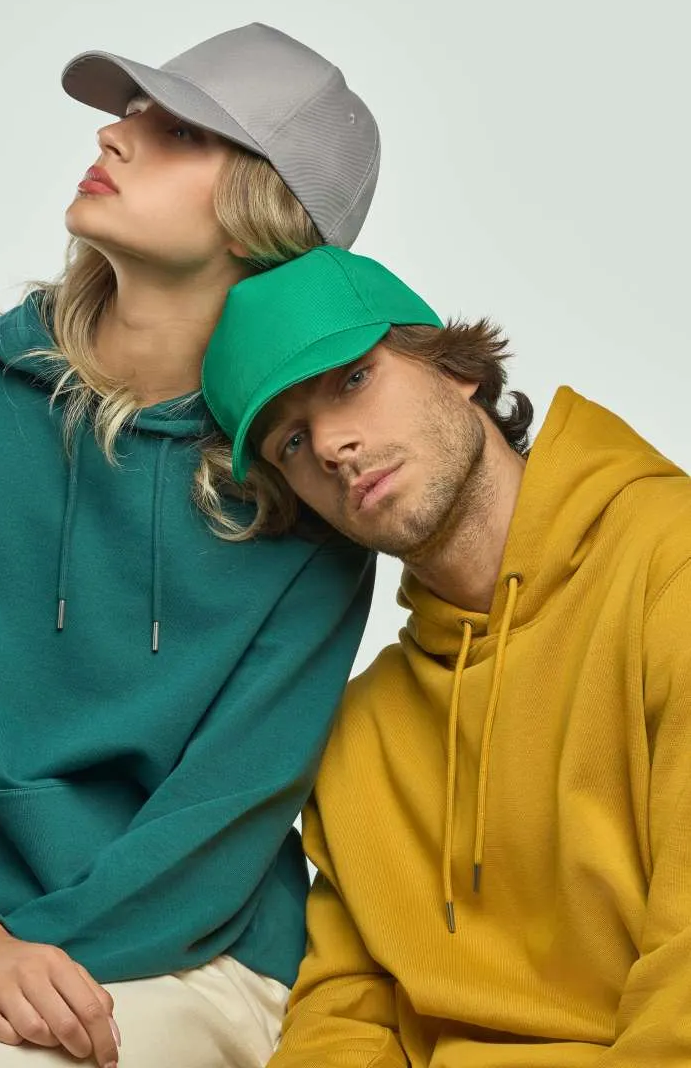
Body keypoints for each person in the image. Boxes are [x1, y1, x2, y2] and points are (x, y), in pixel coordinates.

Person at [0, 25, 380, 1067]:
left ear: (269, 209)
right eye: (128, 114)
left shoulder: (305, 495)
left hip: (181, 955)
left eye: (177, 132)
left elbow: (208, 844)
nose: (112, 136)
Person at [201, 246, 691, 1066]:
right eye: (290, 442)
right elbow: (345, 1010)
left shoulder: (669, 570)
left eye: (352, 379)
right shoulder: (363, 729)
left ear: (454, 368)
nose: (331, 446)